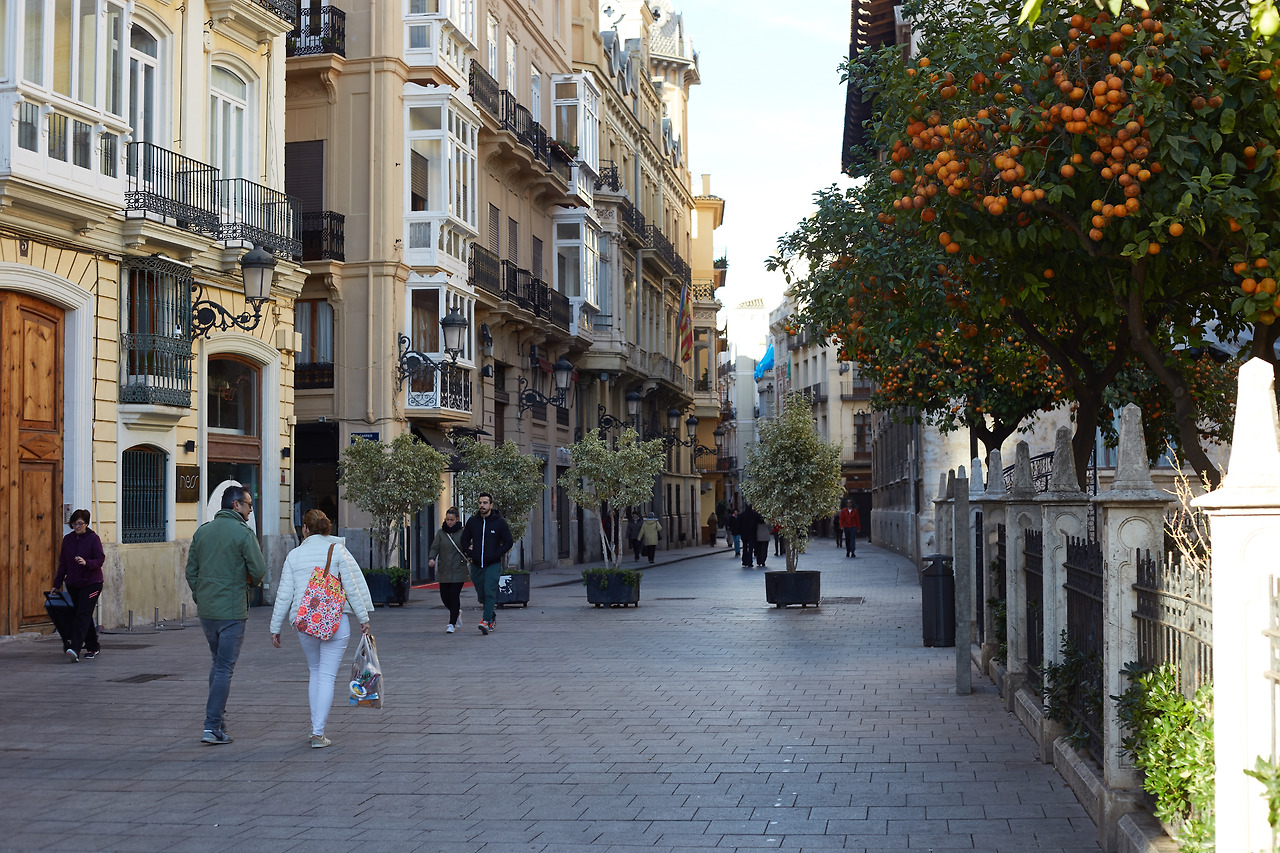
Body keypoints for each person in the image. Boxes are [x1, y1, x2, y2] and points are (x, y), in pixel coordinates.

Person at [269, 509, 371, 749]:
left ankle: (316, 728)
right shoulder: (338, 551)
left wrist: (275, 627)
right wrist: (363, 617)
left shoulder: (294, 555)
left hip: (305, 622)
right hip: (335, 621)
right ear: (328, 529)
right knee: (327, 675)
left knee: (315, 672)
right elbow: (352, 587)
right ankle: (317, 732)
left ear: (304, 529)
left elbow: (284, 594)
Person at [186, 485, 267, 745]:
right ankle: (212, 727)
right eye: (248, 504)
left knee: (217, 663)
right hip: (232, 610)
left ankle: (218, 722)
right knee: (224, 668)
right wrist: (248, 587)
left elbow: (191, 571)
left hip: (208, 611)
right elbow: (259, 569)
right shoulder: (244, 534)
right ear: (235, 505)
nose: (250, 509)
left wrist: (200, 594)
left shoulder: (203, 532)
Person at [52, 509, 105, 663]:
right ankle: (93, 646)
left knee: (82, 614)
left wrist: (86, 563)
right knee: (82, 614)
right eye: (74, 524)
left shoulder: (93, 539)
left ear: (86, 523)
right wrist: (56, 585)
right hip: (74, 584)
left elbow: (100, 559)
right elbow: (63, 564)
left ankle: (75, 648)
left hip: (92, 583)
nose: (77, 526)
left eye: (80, 523)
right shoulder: (67, 540)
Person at [460, 492, 513, 635]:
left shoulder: (499, 522)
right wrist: (470, 553)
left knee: (490, 592)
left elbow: (508, 541)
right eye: (480, 503)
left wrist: (496, 554)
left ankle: (485, 620)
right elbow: (464, 540)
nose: (482, 505)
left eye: (485, 503)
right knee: (482, 595)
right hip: (476, 565)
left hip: (492, 564)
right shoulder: (472, 522)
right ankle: (492, 618)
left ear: (491, 505)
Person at [427, 507, 467, 633]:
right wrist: (432, 558)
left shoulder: (463, 532)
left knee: (454, 595)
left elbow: (467, 545)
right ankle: (456, 612)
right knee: (445, 597)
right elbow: (435, 547)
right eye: (447, 519)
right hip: (444, 568)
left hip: (458, 568)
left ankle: (451, 624)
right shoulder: (441, 533)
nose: (449, 522)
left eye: (452, 520)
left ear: (457, 520)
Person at [737, 503, 766, 568]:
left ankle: (744, 561)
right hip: (752, 533)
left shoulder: (741, 515)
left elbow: (738, 525)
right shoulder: (755, 515)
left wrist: (740, 532)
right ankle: (749, 562)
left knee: (744, 547)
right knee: (751, 548)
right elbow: (761, 520)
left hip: (744, 534)